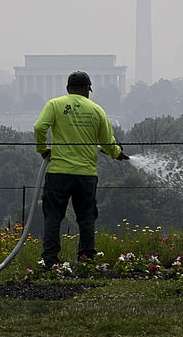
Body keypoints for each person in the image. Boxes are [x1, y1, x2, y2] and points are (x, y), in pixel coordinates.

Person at [34, 71, 129, 267]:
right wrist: (117, 153)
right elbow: (107, 142)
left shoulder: (55, 105)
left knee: (53, 217)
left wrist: (43, 149)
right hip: (86, 175)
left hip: (59, 172)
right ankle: (86, 260)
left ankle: (50, 261)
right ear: (87, 89)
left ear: (68, 88)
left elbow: (39, 127)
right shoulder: (97, 110)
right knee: (86, 218)